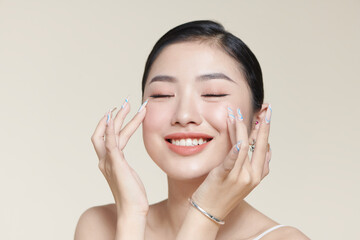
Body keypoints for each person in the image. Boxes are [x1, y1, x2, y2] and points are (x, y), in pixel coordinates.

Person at [74, 20, 309, 240]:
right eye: (162, 94)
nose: (184, 116)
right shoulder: (100, 226)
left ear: (258, 121)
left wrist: (204, 215)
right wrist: (131, 216)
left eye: (213, 94)